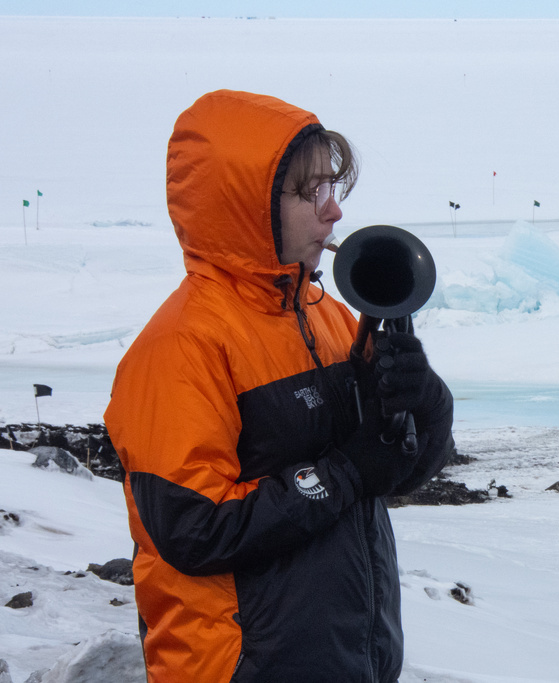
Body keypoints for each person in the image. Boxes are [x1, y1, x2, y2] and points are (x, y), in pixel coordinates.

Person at [104, 89, 454, 682]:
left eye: (333, 188)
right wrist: (344, 472)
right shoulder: (180, 348)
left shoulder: (330, 317)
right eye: (308, 191)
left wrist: (424, 398)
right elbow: (194, 531)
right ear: (244, 203)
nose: (333, 211)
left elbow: (405, 466)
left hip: (349, 661)